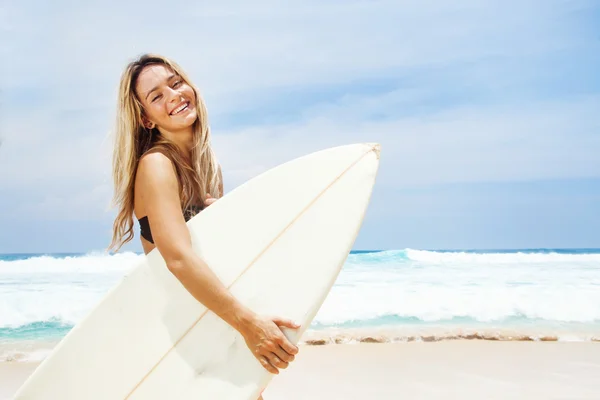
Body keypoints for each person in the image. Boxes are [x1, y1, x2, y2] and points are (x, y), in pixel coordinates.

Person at [108, 53, 299, 399]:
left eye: (176, 83)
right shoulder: (156, 165)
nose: (174, 96)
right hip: (181, 331)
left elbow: (219, 255)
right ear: (146, 120)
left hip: (212, 319)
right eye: (156, 96)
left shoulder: (206, 167)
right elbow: (179, 259)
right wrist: (249, 325)